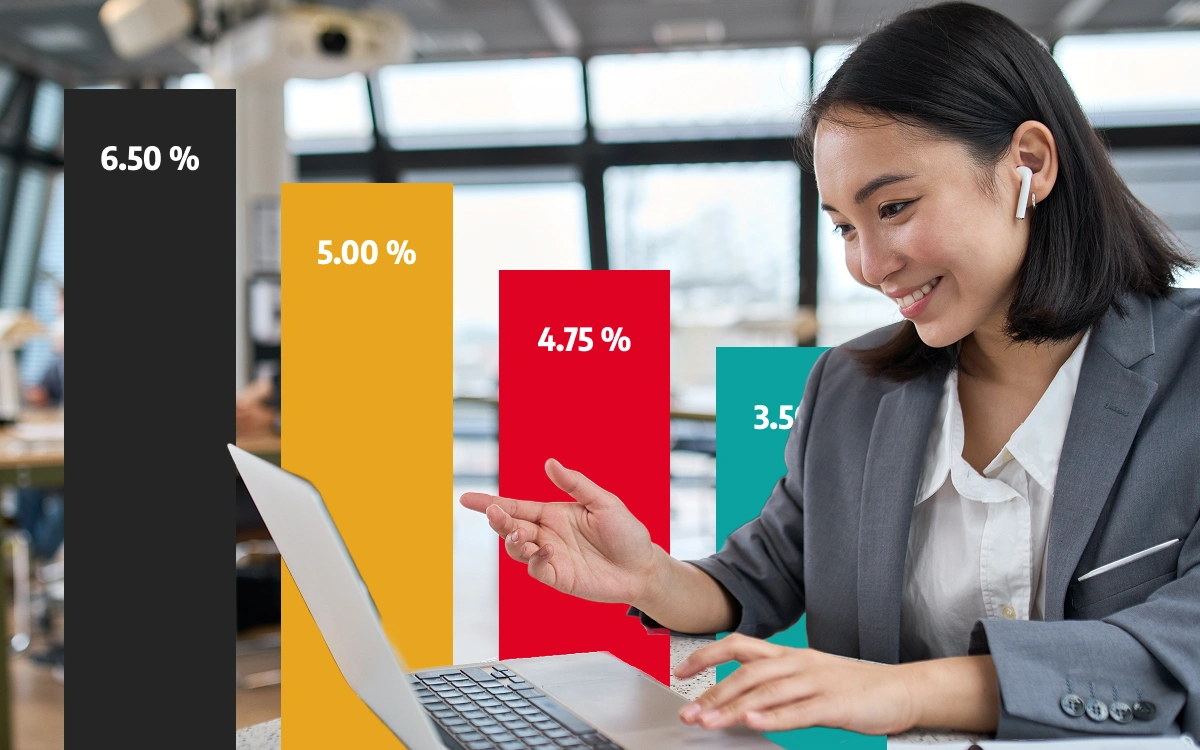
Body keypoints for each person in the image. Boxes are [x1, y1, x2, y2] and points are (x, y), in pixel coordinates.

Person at [459, 3, 1199, 741]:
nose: (869, 266)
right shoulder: (851, 390)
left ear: (1028, 164)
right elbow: (766, 573)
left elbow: (1183, 646)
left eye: (894, 206)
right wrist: (649, 575)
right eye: (845, 226)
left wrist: (905, 693)